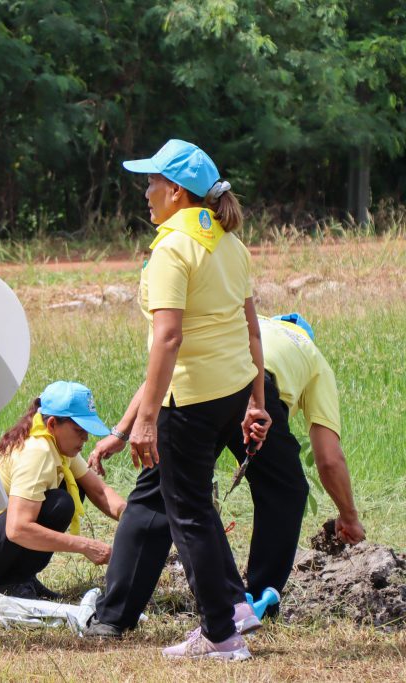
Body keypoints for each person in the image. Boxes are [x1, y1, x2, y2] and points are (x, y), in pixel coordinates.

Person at [82, 140, 271, 661]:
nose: (146, 194)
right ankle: (233, 606)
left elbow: (168, 338)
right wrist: (256, 400)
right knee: (195, 507)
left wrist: (145, 421)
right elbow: (251, 327)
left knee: (185, 513)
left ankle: (220, 636)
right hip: (230, 391)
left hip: (188, 400)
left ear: (176, 191)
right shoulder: (230, 243)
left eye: (151, 184)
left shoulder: (172, 248)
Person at [87, 312, 365, 630]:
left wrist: (121, 431)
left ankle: (112, 619)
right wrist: (349, 516)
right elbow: (328, 459)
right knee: (285, 492)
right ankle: (256, 604)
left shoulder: (246, 319)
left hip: (192, 381)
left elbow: (163, 367)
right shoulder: (312, 356)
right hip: (254, 388)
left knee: (159, 493)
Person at [0, 381, 126, 599]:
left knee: (73, 490)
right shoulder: (37, 451)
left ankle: (17, 579)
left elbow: (99, 492)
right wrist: (86, 546)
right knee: (60, 503)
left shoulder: (56, 443)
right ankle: (14, 582)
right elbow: (17, 529)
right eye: (79, 430)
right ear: (53, 424)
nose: (85, 438)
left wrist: (137, 520)